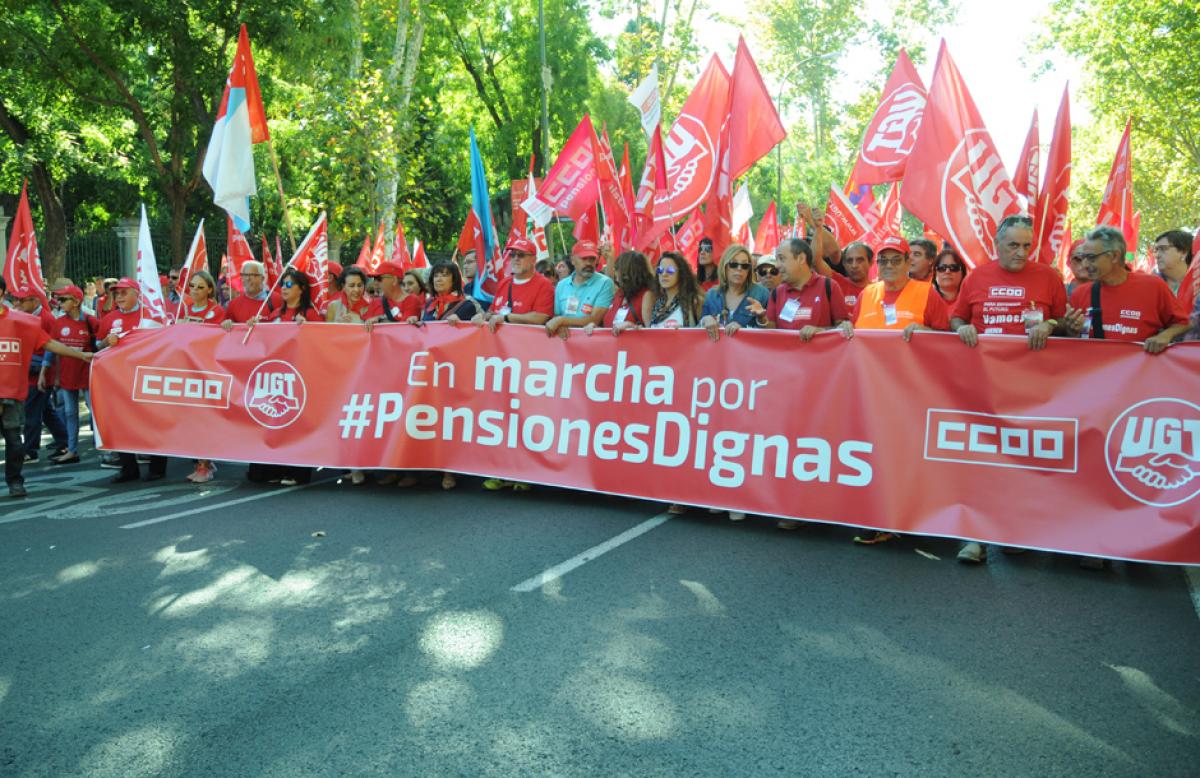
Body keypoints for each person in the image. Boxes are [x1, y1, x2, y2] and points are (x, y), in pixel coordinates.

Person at [0, 278, 95, 497]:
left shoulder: (22, 322)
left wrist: (81, 355)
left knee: (14, 441)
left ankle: (15, 481)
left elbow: (49, 344)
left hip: (11, 393)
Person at [950, 214, 1069, 354]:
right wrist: (961, 328)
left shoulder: (1049, 276)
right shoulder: (975, 277)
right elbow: (957, 318)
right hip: (986, 364)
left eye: (1026, 246)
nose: (1021, 253)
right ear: (996, 244)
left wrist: (1049, 325)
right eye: (1014, 245)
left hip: (1034, 366)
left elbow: (1063, 321)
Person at [1066, 226, 1189, 352]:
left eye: (1091, 258)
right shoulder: (1080, 294)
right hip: (1094, 368)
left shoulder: (1153, 286)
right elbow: (1074, 341)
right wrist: (1072, 329)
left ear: (1114, 256)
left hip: (1140, 369)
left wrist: (1164, 336)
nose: (1085, 264)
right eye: (1083, 258)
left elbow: (1183, 323)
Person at [96, 278, 171, 483]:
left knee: (152, 422)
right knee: (121, 423)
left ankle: (157, 467)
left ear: (137, 294)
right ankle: (129, 468)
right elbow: (97, 346)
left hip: (147, 378)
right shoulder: (109, 319)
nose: (119, 297)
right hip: (118, 381)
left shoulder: (151, 316)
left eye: (123, 293)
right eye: (116, 294)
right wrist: (105, 342)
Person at [38, 285, 99, 465]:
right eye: (59, 299)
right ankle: (72, 451)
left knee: (95, 412)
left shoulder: (90, 321)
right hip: (67, 376)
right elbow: (50, 348)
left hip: (88, 375)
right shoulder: (59, 323)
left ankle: (105, 449)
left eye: (64, 299)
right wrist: (44, 372)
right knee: (70, 413)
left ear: (76, 302)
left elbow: (102, 343)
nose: (59, 303)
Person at [853, 236, 950, 338]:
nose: (889, 265)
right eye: (883, 261)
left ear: (908, 263)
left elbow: (945, 339)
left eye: (896, 260)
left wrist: (926, 332)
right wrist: (844, 327)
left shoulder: (927, 293)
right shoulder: (866, 294)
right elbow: (853, 334)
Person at [14, 290, 69, 463]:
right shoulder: (32, 317)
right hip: (34, 372)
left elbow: (51, 348)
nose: (17, 304)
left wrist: (47, 374)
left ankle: (30, 450)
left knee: (32, 412)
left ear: (34, 301)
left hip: (41, 374)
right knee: (45, 411)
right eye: (16, 300)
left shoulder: (45, 319)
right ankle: (64, 441)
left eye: (21, 301)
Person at [474, 238, 554, 332]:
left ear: (533, 260)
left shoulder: (544, 285)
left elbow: (540, 317)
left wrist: (507, 318)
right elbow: (492, 312)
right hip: (500, 344)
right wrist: (482, 317)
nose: (516, 258)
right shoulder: (504, 283)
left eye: (521, 255)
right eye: (512, 255)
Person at [546, 240, 615, 338]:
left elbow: (595, 319)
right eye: (584, 258)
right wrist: (560, 325)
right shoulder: (561, 285)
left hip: (592, 344)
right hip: (564, 344)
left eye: (592, 259)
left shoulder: (605, 283)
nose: (588, 263)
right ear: (572, 260)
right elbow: (557, 315)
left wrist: (561, 321)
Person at [700, 244, 769, 341]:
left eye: (745, 266)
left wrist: (761, 318)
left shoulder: (762, 293)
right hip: (719, 353)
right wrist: (705, 320)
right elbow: (698, 328)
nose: (739, 269)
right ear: (724, 267)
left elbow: (772, 333)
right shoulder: (712, 294)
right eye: (733, 264)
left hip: (749, 354)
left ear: (749, 270)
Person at [595, 250, 656, 334]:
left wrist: (631, 326)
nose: (615, 273)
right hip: (612, 346)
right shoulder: (620, 292)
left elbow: (653, 332)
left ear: (628, 272)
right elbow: (609, 326)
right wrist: (595, 328)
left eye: (617, 269)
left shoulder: (647, 295)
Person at [649, 252, 704, 328]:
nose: (664, 274)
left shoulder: (694, 302)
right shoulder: (658, 304)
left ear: (681, 273)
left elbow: (705, 332)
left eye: (670, 270)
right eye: (660, 270)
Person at [1153, 229, 1195, 313]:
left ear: (1183, 253)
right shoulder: (1150, 285)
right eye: (1156, 250)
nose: (1157, 255)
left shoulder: (1197, 285)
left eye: (1163, 249)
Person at [836, 241, 873, 311]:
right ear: (844, 264)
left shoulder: (880, 291)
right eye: (849, 261)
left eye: (860, 260)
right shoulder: (837, 283)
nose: (854, 265)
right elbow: (817, 261)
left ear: (870, 262)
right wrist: (818, 230)